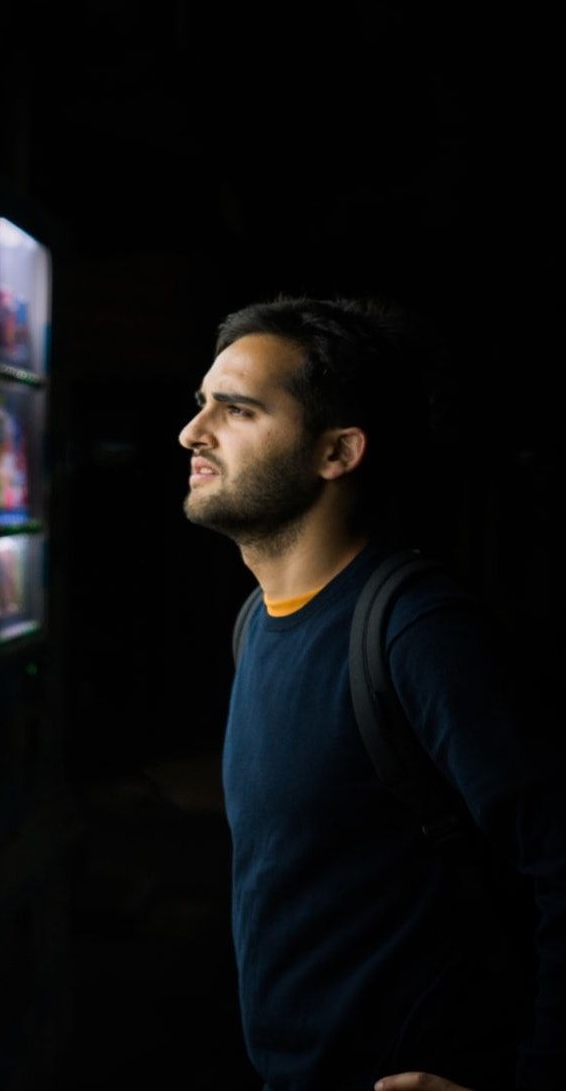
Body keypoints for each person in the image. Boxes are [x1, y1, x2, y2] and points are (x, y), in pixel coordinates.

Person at [178, 296, 563, 1091]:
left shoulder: (416, 631)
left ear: (336, 452)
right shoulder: (257, 619)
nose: (192, 431)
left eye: (237, 409)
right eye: (201, 402)